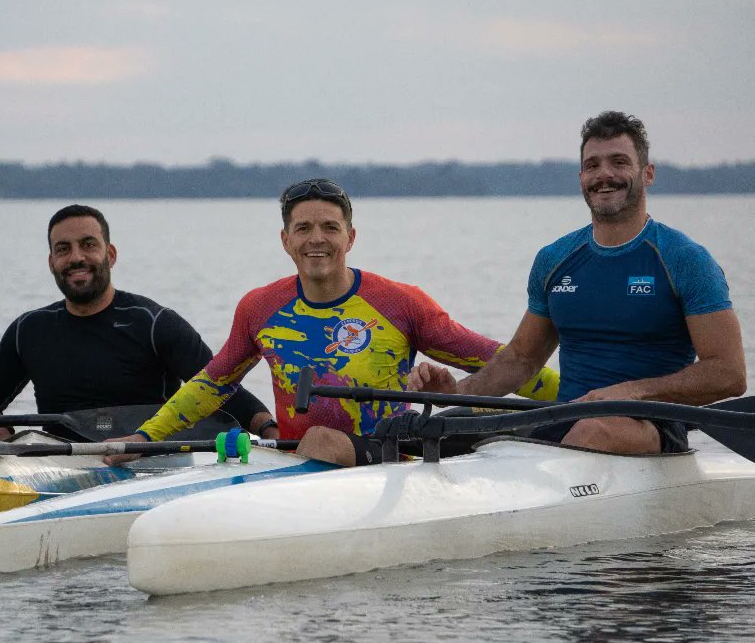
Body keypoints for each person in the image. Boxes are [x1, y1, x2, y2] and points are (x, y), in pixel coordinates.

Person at [105, 179, 559, 466]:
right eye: (303, 228)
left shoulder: (399, 303)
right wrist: (146, 437)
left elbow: (505, 360)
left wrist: (579, 397)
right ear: (285, 241)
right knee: (317, 440)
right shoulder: (259, 308)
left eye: (330, 227)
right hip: (302, 459)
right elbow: (211, 384)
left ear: (351, 237)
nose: (316, 239)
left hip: (394, 453)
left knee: (322, 437)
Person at [409, 111, 746, 454]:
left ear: (648, 174)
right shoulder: (555, 259)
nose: (605, 175)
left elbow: (729, 373)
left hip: (651, 424)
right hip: (567, 417)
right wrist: (456, 390)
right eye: (593, 165)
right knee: (439, 430)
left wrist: (631, 391)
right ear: (581, 177)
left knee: (592, 430)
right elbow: (522, 359)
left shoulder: (684, 259)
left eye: (619, 162)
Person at [0, 204, 273, 439]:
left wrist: (270, 430)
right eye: (63, 249)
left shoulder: (155, 323)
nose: (76, 257)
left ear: (110, 255)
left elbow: (221, 389)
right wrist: (3, 438)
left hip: (147, 468)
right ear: (51, 262)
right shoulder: (28, 331)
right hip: (57, 467)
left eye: (88, 245)